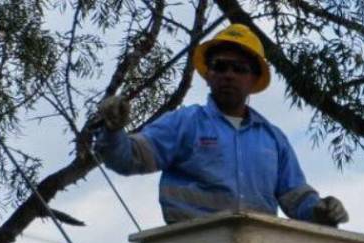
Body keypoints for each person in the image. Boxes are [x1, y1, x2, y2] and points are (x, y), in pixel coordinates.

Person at [90, 23, 348, 227]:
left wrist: (321, 211)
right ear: (208, 74)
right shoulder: (185, 123)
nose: (228, 74)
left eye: (239, 68)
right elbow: (129, 158)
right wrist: (113, 130)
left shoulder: (272, 139)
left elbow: (297, 199)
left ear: (254, 79)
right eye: (220, 66)